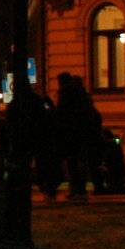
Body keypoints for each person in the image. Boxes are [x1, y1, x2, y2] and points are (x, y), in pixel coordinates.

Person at [53, 73, 101, 202]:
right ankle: (80, 189)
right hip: (82, 132)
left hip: (71, 133)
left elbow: (61, 115)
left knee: (72, 162)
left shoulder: (66, 95)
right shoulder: (83, 95)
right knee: (81, 161)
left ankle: (76, 189)